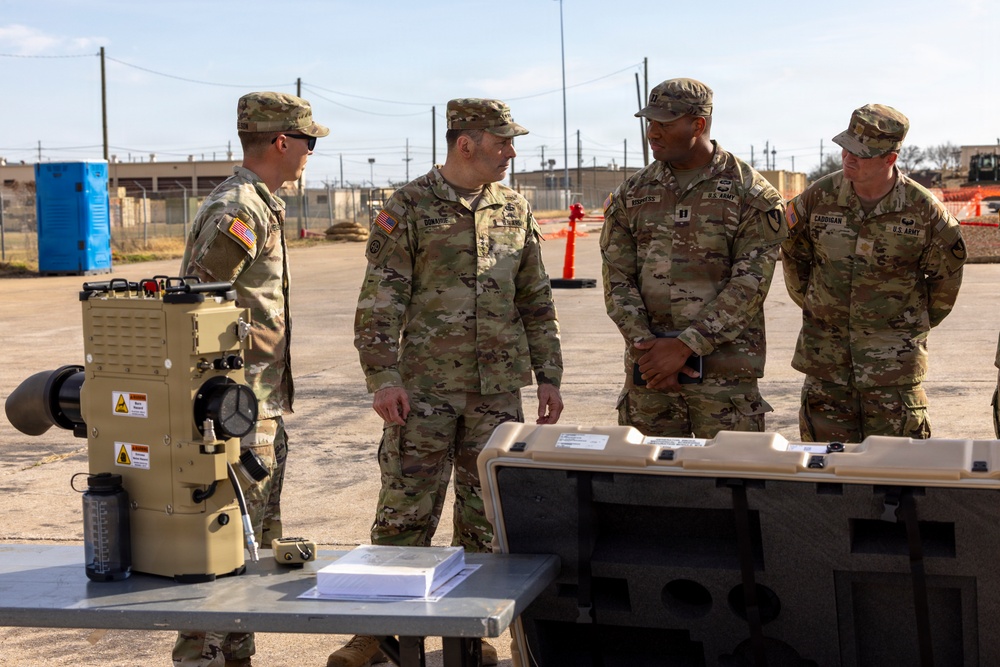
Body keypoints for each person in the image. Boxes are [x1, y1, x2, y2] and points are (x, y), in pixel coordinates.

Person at [328, 98, 564, 667]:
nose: (512, 152)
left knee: (486, 512)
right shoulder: (408, 206)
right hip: (424, 388)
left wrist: (548, 374)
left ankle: (471, 632)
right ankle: (377, 632)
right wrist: (382, 378)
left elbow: (535, 297)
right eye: (503, 142)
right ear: (467, 143)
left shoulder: (514, 208)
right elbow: (381, 299)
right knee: (405, 507)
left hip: (498, 390)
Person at [173, 91, 328, 667]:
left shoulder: (261, 202)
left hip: (255, 402)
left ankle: (234, 651)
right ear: (282, 141)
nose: (312, 151)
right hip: (233, 409)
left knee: (251, 545)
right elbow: (191, 302)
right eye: (309, 141)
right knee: (222, 544)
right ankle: (205, 654)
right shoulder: (241, 207)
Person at [600, 77, 786, 438]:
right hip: (650, 378)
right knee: (645, 488)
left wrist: (686, 346)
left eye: (665, 124)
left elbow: (751, 284)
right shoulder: (633, 192)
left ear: (698, 124)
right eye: (649, 123)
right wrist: (648, 351)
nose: (652, 132)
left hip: (723, 384)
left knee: (730, 486)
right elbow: (617, 279)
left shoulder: (749, 192)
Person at [781, 104, 966, 443]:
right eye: (846, 147)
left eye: (860, 153)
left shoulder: (923, 211)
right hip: (826, 363)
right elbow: (793, 255)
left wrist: (901, 327)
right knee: (826, 472)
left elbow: (945, 282)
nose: (847, 157)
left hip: (892, 371)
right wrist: (819, 306)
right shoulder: (818, 198)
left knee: (897, 473)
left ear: (889, 159)